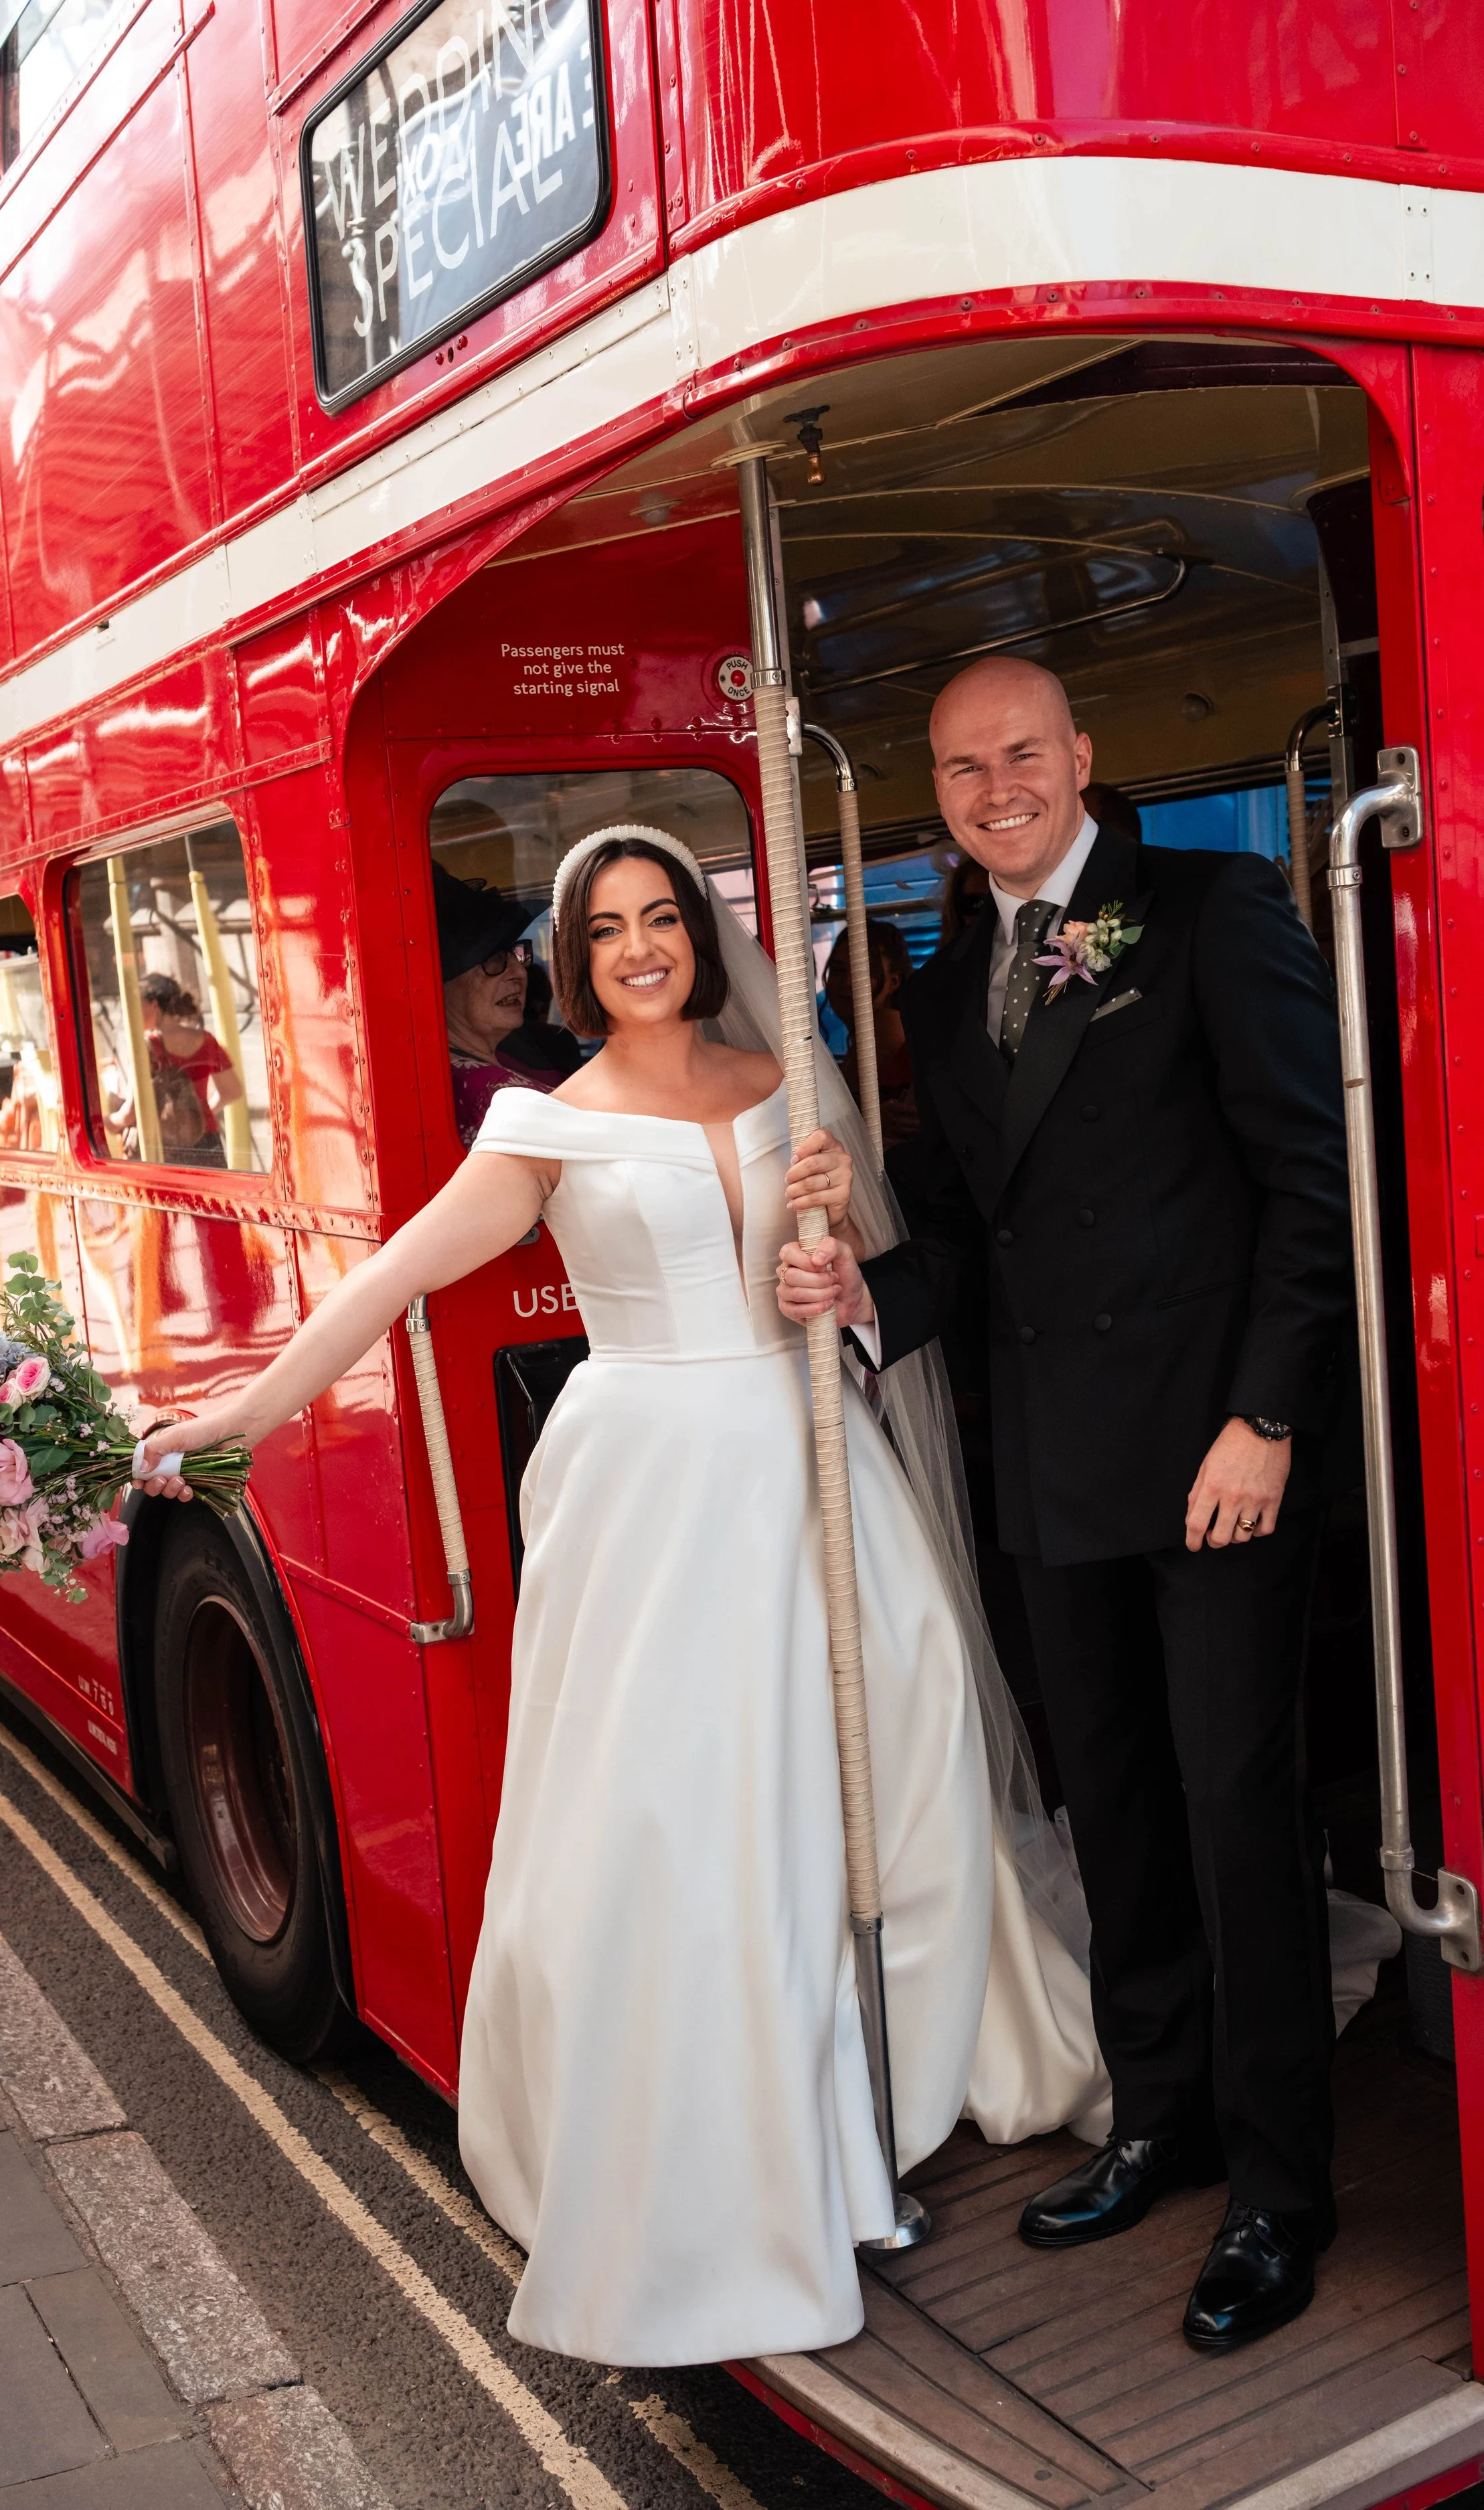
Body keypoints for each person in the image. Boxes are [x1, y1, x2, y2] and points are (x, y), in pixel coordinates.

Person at [137, 824, 1107, 2366]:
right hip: (656, 1487)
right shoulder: (549, 1128)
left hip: (814, 1463)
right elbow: (391, 1276)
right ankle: (739, 2132)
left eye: (665, 916)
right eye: (609, 927)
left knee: (892, 1760)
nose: (643, 946)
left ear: (699, 937)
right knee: (691, 1810)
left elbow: (853, 1281)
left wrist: (829, 1269)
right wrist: (238, 1410)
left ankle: (892, 2068)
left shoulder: (785, 1082)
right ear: (577, 958)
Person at [779, 657, 1351, 2353]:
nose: (994, 786)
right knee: (1113, 1810)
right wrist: (864, 1292)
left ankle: (1278, 2187)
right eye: (962, 767)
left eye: (1022, 752)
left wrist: (1265, 1417)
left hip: (1214, 1465)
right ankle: (1158, 2115)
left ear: (1083, 756)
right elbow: (964, 1235)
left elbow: (1312, 1182)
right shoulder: (953, 986)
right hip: (1053, 1468)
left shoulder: (1210, 905)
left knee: (1237, 1814)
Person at [433, 862, 560, 1143]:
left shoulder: (499, 1061)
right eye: (493, 960)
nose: (517, 973)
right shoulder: (493, 1094)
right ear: (442, 984)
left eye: (515, 954)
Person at [105, 973, 243, 1167]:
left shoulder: (148, 1046)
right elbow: (232, 1091)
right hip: (208, 1140)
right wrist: (201, 1114)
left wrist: (106, 1122)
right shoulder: (207, 1040)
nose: (131, 1013)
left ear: (154, 1005)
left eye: (137, 1005)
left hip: (164, 1144)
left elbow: (131, 1113)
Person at [822, 917, 918, 1147]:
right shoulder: (860, 1044)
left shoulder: (886, 1032)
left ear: (894, 982)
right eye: (838, 970)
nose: (846, 982)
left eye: (863, 970)